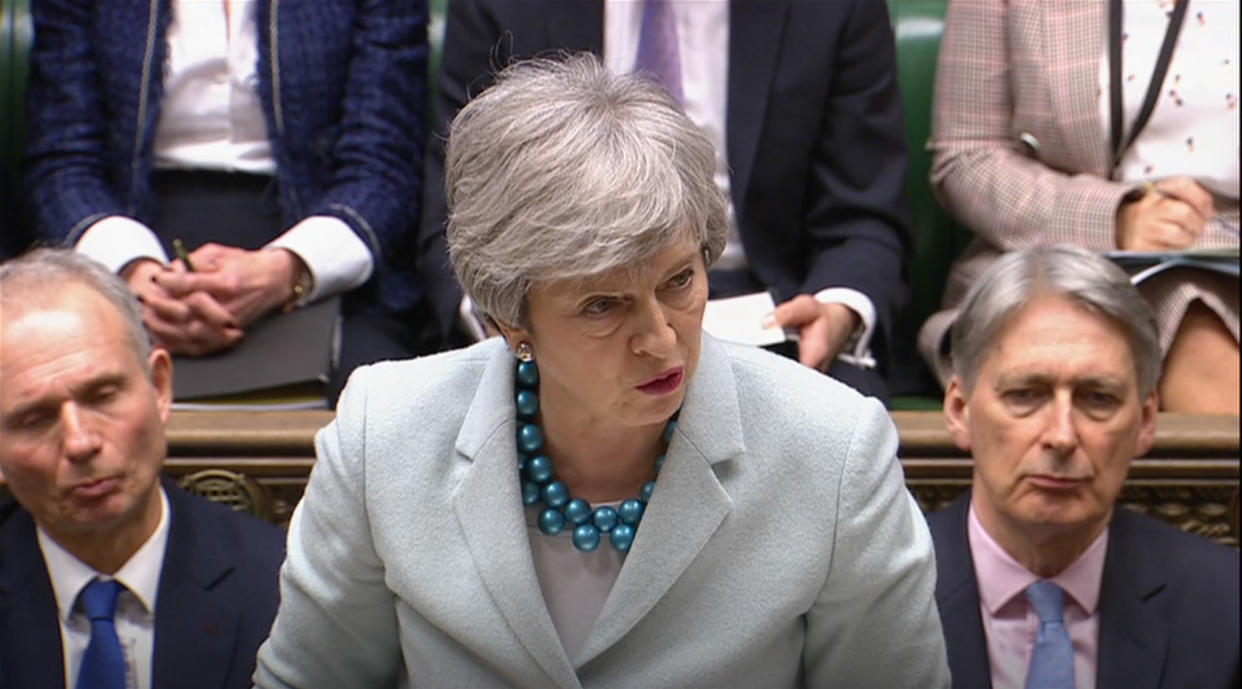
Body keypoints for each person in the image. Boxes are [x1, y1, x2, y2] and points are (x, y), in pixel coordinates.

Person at [254, 55, 947, 688]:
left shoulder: (834, 452)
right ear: (508, 322)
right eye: (602, 305)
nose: (658, 337)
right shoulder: (386, 435)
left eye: (679, 280)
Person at [418, 0, 911, 402]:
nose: (661, 339)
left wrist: (834, 308)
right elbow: (461, 206)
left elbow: (863, 214)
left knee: (840, 418)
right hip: (564, 300)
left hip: (780, 314)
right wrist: (505, 320)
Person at [21, 0, 436, 401]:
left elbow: (384, 165)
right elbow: (62, 160)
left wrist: (288, 269)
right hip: (123, 236)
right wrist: (134, 277)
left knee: (375, 394)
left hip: (328, 251)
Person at [928, 245, 1239, 689]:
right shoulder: (874, 597)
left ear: (1146, 421)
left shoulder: (1225, 603)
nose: (1062, 436)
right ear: (959, 410)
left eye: (1098, 399)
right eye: (1025, 394)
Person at [919, 0, 1239, 414]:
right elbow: (966, 160)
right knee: (1185, 311)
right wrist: (1115, 218)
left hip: (1231, 250)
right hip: (1065, 256)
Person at [0, 249, 285, 689]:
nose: (80, 442)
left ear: (160, 388)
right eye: (35, 419)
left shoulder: (283, 587)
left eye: (102, 396)